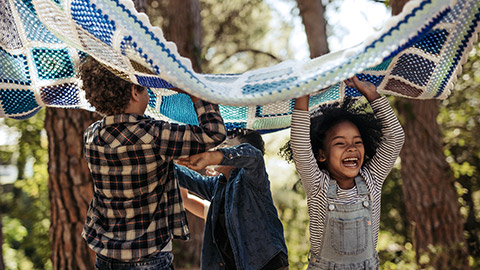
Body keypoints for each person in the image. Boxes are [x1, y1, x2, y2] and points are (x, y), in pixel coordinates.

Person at [78, 56, 226, 269]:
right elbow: (214, 133)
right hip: (148, 257)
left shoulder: (91, 136)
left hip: (105, 256)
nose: (149, 94)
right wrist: (196, 95)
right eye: (146, 89)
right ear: (133, 92)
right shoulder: (155, 135)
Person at [283, 76, 405, 269]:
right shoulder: (317, 185)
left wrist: (372, 95)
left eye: (357, 142)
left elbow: (395, 138)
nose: (351, 148)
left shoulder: (372, 178)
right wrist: (302, 94)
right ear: (321, 155)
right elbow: (300, 145)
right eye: (340, 143)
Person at [175, 129, 289, 270]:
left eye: (225, 145)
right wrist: (178, 156)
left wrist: (212, 157)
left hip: (267, 265)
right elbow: (185, 177)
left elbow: (253, 155)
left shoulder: (251, 179)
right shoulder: (218, 185)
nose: (217, 150)